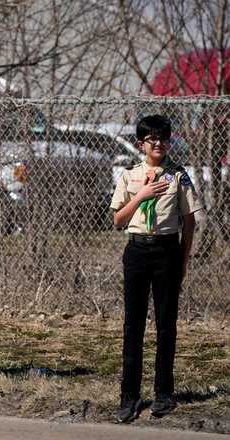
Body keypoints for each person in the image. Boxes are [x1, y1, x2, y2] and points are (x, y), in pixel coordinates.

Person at [110, 114, 202, 422]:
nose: (159, 143)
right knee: (132, 326)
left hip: (167, 252)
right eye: (152, 139)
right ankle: (129, 396)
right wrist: (141, 195)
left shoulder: (178, 176)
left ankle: (164, 393)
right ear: (141, 144)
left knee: (166, 325)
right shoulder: (129, 176)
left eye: (164, 137)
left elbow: (189, 220)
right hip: (137, 251)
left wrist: (184, 259)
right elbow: (118, 220)